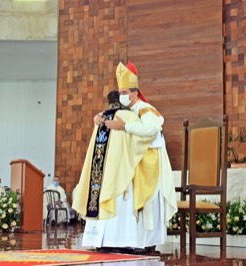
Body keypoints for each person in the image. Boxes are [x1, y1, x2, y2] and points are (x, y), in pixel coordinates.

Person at [73, 62, 177, 253]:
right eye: (120, 92)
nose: (122, 96)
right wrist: (100, 119)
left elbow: (150, 129)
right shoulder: (124, 111)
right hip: (128, 161)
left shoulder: (147, 109)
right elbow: (114, 122)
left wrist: (124, 127)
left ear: (135, 93)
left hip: (147, 164)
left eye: (124, 92)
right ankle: (111, 241)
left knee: (125, 190)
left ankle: (136, 242)